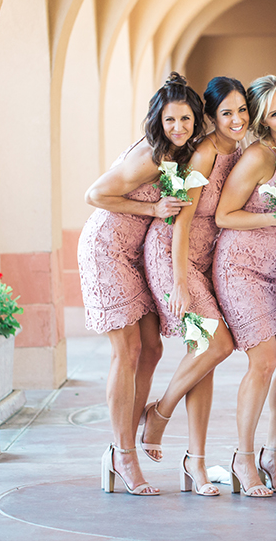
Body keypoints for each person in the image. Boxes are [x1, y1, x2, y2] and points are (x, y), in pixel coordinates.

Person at [78, 73, 192, 496]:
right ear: (157, 121)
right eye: (170, 120)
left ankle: (125, 435)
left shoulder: (179, 154)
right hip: (106, 248)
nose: (177, 128)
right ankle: (122, 453)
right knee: (126, 351)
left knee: (153, 347)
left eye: (185, 120)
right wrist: (153, 208)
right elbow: (94, 194)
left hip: (131, 253)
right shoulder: (151, 157)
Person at [139, 76, 249, 496]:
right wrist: (181, 281)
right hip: (175, 256)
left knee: (202, 355)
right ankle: (158, 415)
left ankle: (195, 465)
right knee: (217, 345)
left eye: (242, 111)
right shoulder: (204, 153)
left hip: (202, 261)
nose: (236, 119)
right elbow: (181, 221)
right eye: (226, 113)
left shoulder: (235, 149)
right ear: (212, 117)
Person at [213, 75, 276, 497]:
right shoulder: (257, 156)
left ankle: (275, 453)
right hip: (241, 268)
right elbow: (224, 216)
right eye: (275, 112)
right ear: (263, 121)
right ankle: (243, 458)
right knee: (264, 362)